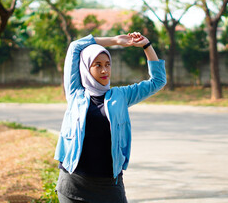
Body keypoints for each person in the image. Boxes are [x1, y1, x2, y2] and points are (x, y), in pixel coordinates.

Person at [54, 32, 167, 203]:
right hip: (73, 183)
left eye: (107, 64)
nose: (104, 70)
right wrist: (115, 41)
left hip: (109, 185)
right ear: (86, 67)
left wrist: (146, 46)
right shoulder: (75, 92)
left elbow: (158, 81)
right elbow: (75, 46)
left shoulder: (121, 95)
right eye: (97, 65)